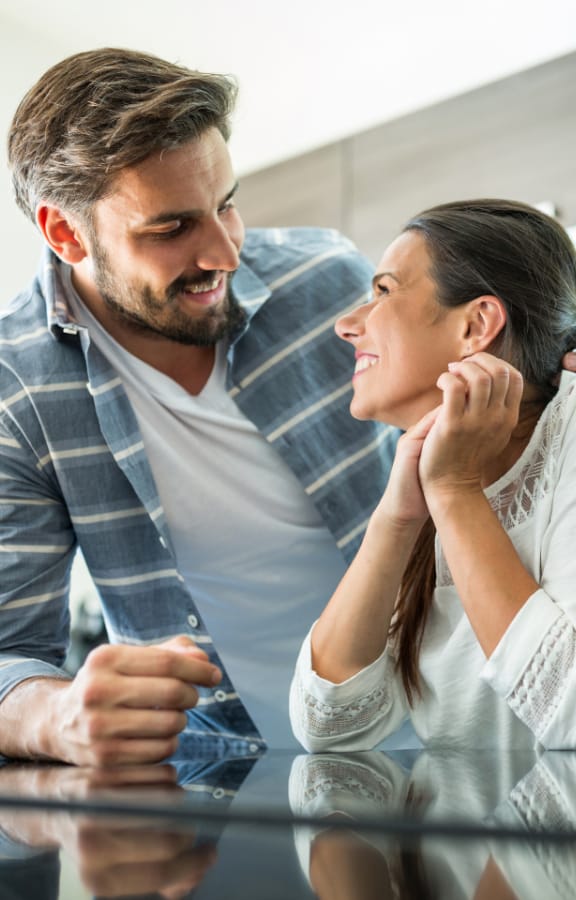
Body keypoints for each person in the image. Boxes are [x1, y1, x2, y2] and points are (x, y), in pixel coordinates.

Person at [0, 47, 400, 765]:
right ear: (65, 234)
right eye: (173, 228)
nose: (225, 252)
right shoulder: (15, 388)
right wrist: (55, 718)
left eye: (227, 204)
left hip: (444, 737)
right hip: (228, 789)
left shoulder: (330, 283)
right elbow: (9, 654)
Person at [290, 198, 576, 752]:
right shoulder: (435, 465)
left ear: (476, 324)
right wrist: (396, 519)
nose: (346, 325)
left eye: (383, 291)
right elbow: (329, 727)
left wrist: (454, 493)